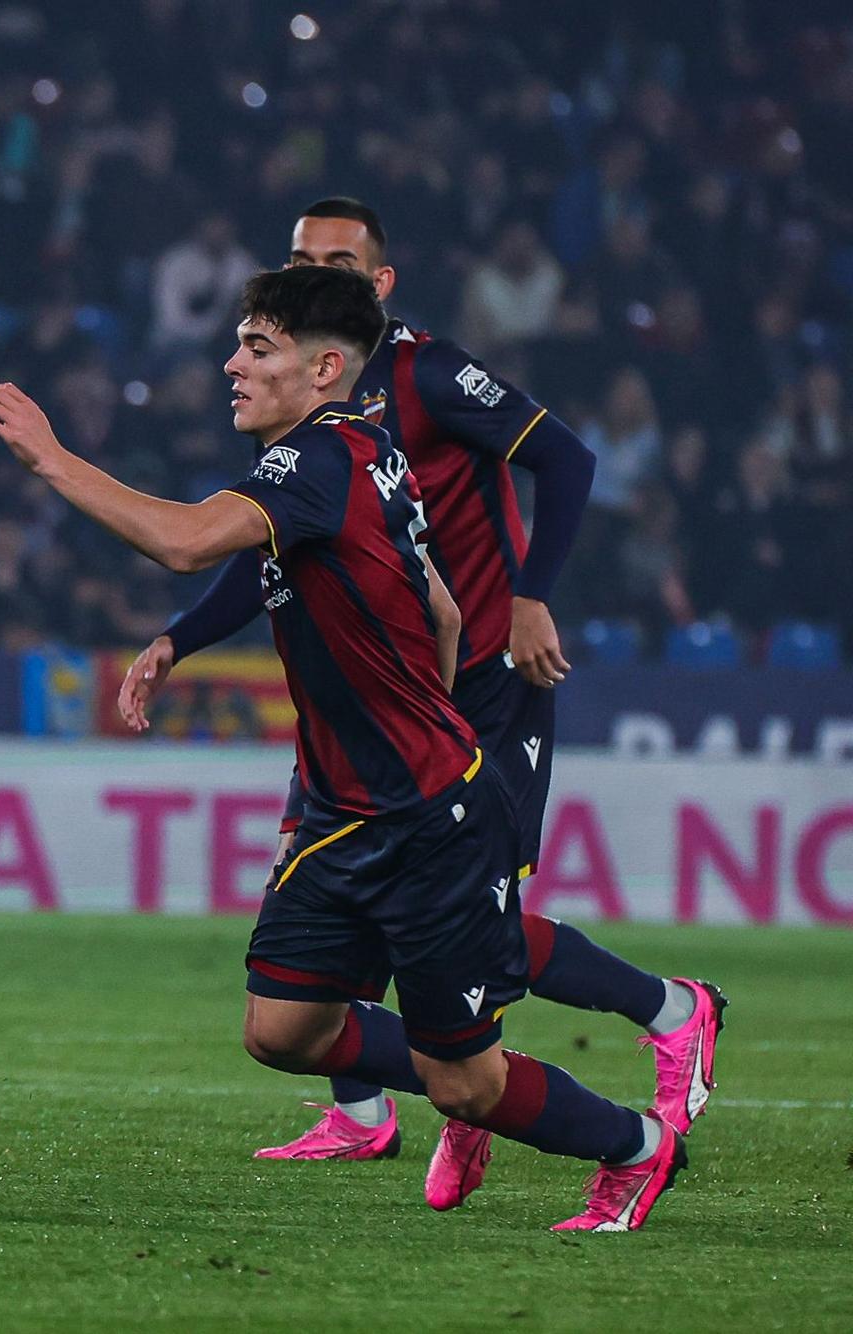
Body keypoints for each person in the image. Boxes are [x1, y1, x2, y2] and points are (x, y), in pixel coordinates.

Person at [0, 265, 687, 1232]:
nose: (231, 364)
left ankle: (636, 1148)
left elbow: (186, 543)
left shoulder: (312, 465)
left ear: (321, 369)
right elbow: (438, 607)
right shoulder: (368, 450)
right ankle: (458, 1069)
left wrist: (53, 458)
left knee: (470, 1087)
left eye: (256, 349)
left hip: (428, 824)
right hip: (348, 812)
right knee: (283, 1030)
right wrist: (399, 719)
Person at [138, 199, 721, 1208]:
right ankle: (389, 1106)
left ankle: (661, 1013)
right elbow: (270, 545)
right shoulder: (319, 421)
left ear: (378, 283)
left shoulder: (425, 375)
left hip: (482, 682)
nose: (316, 273)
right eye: (298, 259)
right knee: (340, 914)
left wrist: (530, 597)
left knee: (469, 911)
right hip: (382, 690)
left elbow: (566, 460)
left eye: (338, 262)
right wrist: (179, 637)